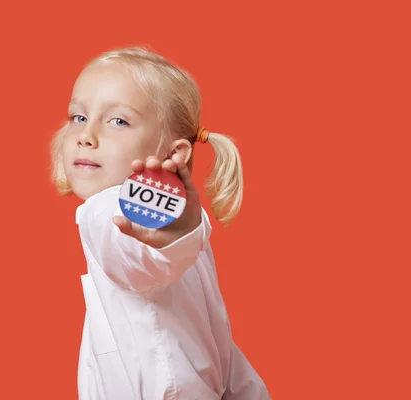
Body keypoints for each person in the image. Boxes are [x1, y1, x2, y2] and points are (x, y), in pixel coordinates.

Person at [50, 46, 271, 400]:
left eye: (118, 121)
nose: (85, 135)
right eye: (78, 117)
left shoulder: (107, 208)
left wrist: (163, 240)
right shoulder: (188, 225)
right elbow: (218, 348)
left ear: (173, 153)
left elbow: (140, 258)